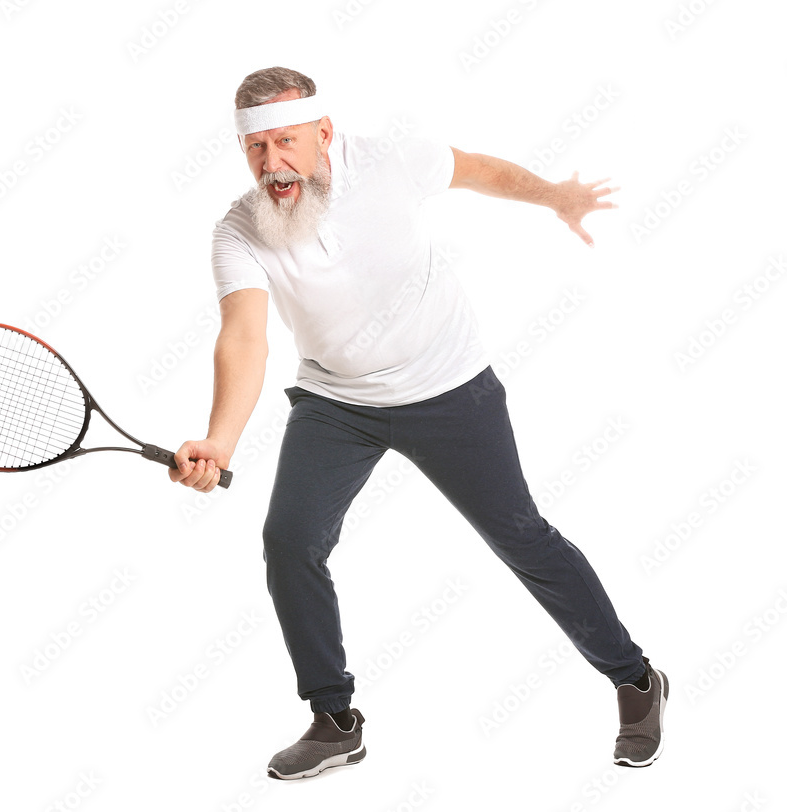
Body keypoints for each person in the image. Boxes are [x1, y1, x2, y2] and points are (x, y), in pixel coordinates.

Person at [170, 66, 667, 779]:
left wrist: (555, 196)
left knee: (521, 536)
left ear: (323, 132)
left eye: (286, 142)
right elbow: (244, 338)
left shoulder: (393, 159)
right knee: (289, 540)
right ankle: (334, 718)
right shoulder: (240, 231)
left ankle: (634, 678)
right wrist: (219, 440)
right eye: (257, 149)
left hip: (448, 387)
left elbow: (479, 171)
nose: (272, 163)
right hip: (338, 403)